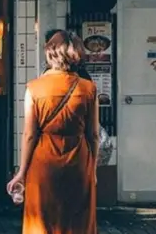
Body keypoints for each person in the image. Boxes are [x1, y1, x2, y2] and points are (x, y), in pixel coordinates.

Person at [7, 30, 98, 234]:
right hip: (79, 158)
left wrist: (21, 172)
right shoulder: (88, 88)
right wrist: (93, 169)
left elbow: (30, 134)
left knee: (43, 219)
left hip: (44, 159)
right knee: (77, 220)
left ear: (50, 53)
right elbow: (93, 134)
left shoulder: (34, 88)